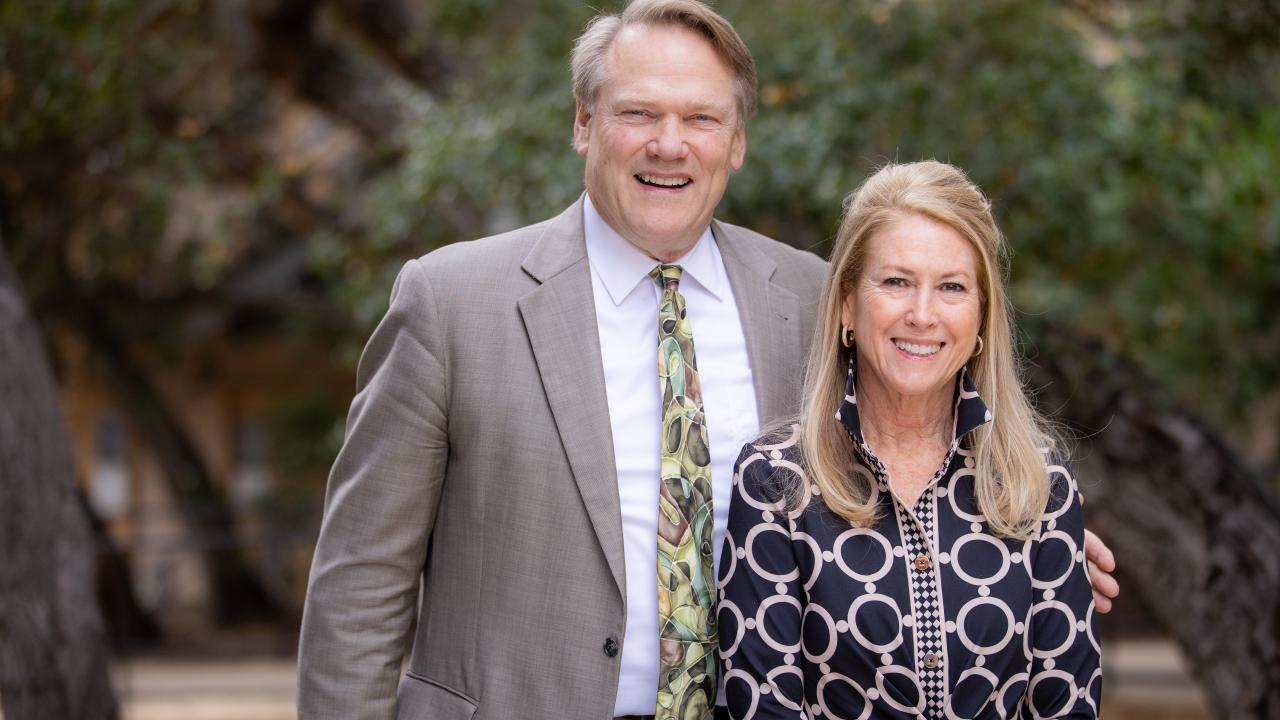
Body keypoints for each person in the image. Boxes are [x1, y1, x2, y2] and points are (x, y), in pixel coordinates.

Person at [297, 3, 1116, 719]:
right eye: (637, 113)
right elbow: (360, 583)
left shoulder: (811, 299)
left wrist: (1024, 544)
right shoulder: (453, 302)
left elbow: (921, 443)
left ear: (737, 143)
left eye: (700, 119)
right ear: (583, 123)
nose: (668, 145)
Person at [718, 161, 1101, 719]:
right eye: (896, 282)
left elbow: (1066, 705)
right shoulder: (776, 481)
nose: (922, 314)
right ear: (848, 304)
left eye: (951, 287)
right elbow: (761, 707)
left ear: (980, 318)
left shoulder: (1038, 484)